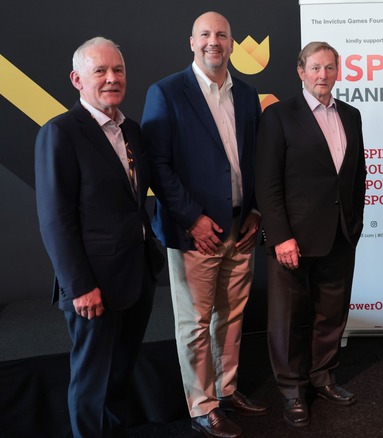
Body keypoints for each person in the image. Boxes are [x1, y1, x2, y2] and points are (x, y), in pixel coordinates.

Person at [141, 11, 267, 438]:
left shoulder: (247, 94)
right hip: (195, 232)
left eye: (222, 35)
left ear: (233, 44)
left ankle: (227, 391)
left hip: (241, 225)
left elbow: (255, 161)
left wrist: (256, 211)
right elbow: (157, 166)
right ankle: (202, 404)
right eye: (206, 35)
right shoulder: (167, 93)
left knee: (231, 317)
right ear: (191, 42)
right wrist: (193, 219)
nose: (214, 41)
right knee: (195, 323)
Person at [35, 37, 164, 437]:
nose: (112, 78)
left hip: (136, 278)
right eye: (100, 71)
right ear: (77, 79)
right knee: (91, 383)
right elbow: (56, 219)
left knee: (119, 377)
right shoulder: (60, 133)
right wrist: (80, 287)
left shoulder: (132, 131)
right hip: (93, 288)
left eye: (118, 70)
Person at [258, 41, 366, 428]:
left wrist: (355, 225)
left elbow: (357, 176)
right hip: (292, 241)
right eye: (315, 68)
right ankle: (291, 389)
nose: (323, 75)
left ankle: (322, 377)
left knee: (331, 314)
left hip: (339, 235)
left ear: (339, 72)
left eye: (330, 68)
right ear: (301, 71)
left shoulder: (351, 115)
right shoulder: (279, 115)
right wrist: (280, 236)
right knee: (286, 319)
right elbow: (267, 183)